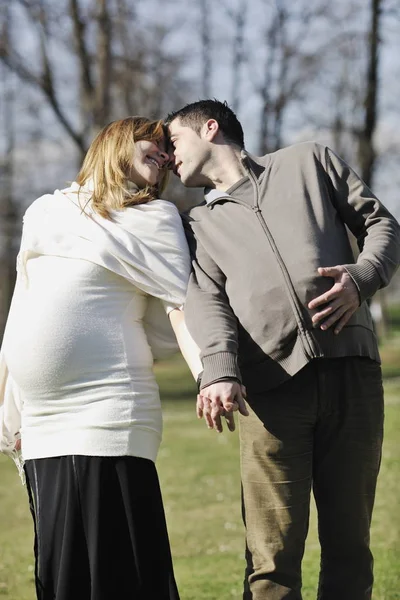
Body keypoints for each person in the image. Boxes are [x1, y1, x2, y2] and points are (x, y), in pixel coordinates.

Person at [165, 99, 400, 600]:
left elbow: (382, 225)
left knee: (349, 546)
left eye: (175, 141)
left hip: (352, 376)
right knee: (271, 560)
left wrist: (362, 278)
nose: (169, 155)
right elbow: (206, 301)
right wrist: (220, 370)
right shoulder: (198, 226)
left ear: (211, 128)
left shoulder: (309, 162)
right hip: (269, 393)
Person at [0, 116, 202, 600]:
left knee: (117, 568)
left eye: (165, 149)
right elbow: (20, 310)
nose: (161, 152)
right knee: (60, 567)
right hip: (42, 420)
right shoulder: (45, 212)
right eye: (148, 142)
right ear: (113, 144)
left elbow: (177, 308)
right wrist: (10, 404)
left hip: (108, 405)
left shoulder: (156, 219)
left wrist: (209, 373)